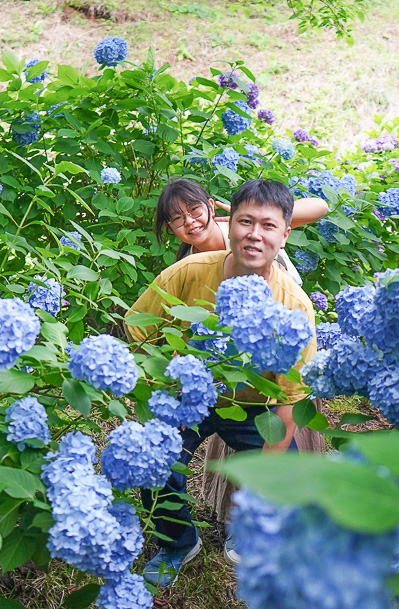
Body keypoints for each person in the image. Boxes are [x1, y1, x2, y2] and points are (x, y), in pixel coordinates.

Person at [126, 178, 319, 588]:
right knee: (153, 459)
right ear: (230, 224)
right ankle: (177, 543)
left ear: (285, 234)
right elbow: (138, 327)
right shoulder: (188, 272)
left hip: (255, 407)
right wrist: (167, 383)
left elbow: (287, 400)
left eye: (268, 226)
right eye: (246, 222)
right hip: (188, 398)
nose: (254, 234)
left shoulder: (294, 308)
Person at [153, 177, 328, 286]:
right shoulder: (187, 266)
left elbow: (320, 207)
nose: (190, 221)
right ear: (169, 228)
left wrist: (252, 218)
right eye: (177, 218)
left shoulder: (249, 232)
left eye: (195, 210)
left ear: (211, 207)